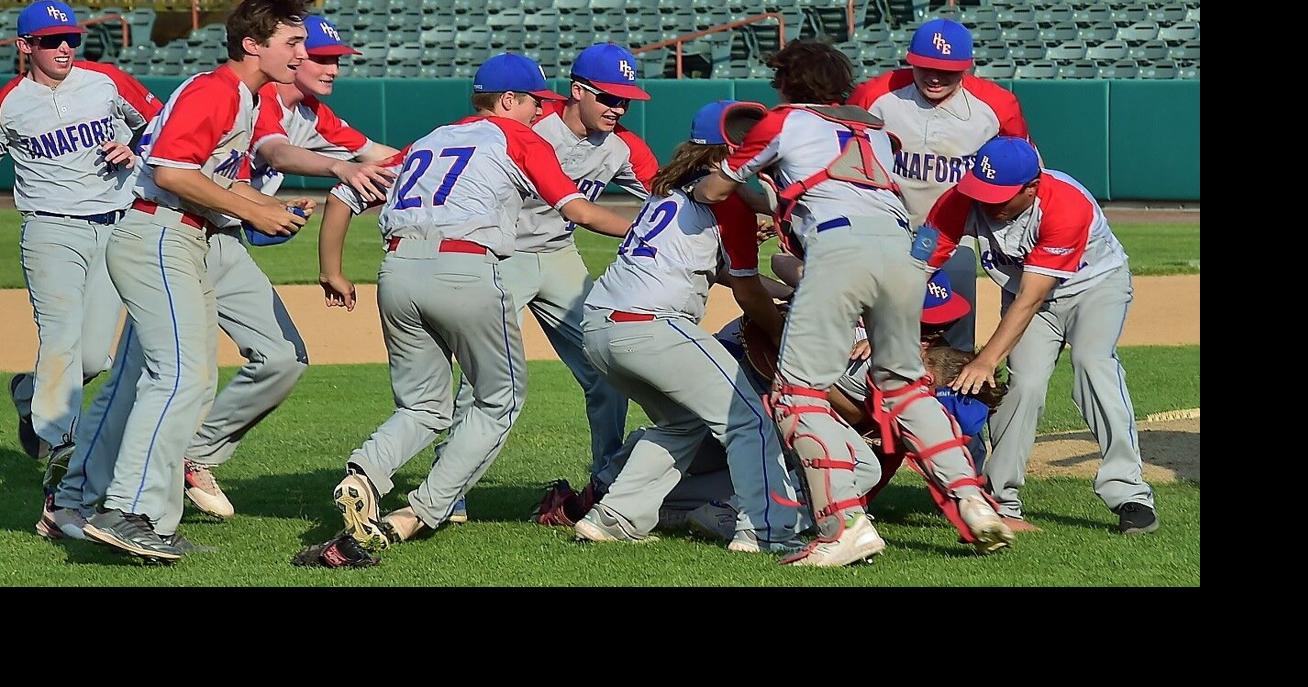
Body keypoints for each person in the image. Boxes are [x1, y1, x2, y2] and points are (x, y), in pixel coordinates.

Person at [692, 40, 1012, 566]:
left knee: (797, 396)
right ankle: (972, 499)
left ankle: (844, 525)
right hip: (903, 255)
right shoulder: (876, 130)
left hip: (840, 250)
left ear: (786, 83)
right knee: (904, 388)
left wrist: (703, 181)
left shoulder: (783, 120)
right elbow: (822, 183)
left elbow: (715, 189)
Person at [311, 53, 635, 563]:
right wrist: (649, 230)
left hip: (396, 271)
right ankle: (425, 509)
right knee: (500, 399)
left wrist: (331, 269)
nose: (539, 112)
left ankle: (365, 473)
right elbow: (580, 212)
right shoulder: (521, 138)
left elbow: (342, 195)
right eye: (534, 102)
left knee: (421, 406)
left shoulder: (428, 140)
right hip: (466, 269)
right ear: (508, 100)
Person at [70, 0, 317, 560]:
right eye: (292, 43)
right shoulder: (214, 91)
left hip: (186, 236)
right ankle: (124, 510)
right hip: (159, 233)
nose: (302, 54)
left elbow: (219, 180)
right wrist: (251, 211)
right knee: (178, 376)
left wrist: (269, 207)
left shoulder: (246, 97)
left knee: (190, 380)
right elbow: (170, 172)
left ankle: (151, 521)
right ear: (253, 45)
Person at [177, 13, 400, 519]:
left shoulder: (314, 113)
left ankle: (193, 456)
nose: (332, 68)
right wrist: (338, 166)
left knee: (282, 358)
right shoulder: (260, 100)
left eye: (336, 60)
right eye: (321, 57)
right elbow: (275, 152)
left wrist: (449, 153)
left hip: (221, 237)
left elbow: (379, 155)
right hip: (166, 229)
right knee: (143, 369)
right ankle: (85, 478)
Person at [572, 99, 803, 553]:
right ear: (731, 150)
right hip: (651, 324)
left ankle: (615, 516)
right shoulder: (725, 202)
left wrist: (780, 289)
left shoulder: (669, 188)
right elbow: (745, 291)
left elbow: (722, 271)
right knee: (748, 417)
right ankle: (765, 529)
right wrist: (781, 334)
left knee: (683, 423)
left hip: (600, 328)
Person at [448, 43, 658, 524]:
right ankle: (450, 488)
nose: (618, 108)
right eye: (609, 97)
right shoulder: (530, 124)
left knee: (606, 365)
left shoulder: (623, 146)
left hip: (559, 255)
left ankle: (606, 481)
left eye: (626, 101)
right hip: (502, 255)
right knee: (482, 377)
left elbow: (668, 193)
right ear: (578, 91)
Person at [924, 136, 1159, 535]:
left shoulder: (1065, 204)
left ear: (1031, 187)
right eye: (982, 191)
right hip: (1025, 292)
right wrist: (884, 331)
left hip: (1094, 288)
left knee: (1093, 364)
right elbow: (917, 265)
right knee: (1024, 386)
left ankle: (1129, 493)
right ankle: (1001, 502)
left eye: (999, 196)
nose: (987, 203)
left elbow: (1031, 299)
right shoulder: (961, 199)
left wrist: (987, 359)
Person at [0, 2, 161, 536]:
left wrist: (134, 146)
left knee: (93, 356)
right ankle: (60, 478)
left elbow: (162, 125)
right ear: (25, 47)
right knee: (62, 340)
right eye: (50, 40)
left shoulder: (106, 81)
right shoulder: (9, 103)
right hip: (51, 230)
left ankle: (31, 395)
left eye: (69, 37)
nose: (64, 47)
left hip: (116, 226)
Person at [848, 17, 1031, 355]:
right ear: (910, 60)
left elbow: (1020, 168)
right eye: (925, 67)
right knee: (871, 331)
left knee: (953, 334)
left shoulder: (997, 105)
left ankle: (954, 388)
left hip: (955, 231)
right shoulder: (875, 95)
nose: (933, 77)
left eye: (946, 71)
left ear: (966, 67)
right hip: (885, 229)